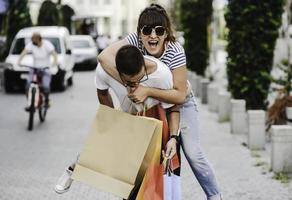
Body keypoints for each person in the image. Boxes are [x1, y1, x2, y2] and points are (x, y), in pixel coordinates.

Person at [98, 4, 222, 200]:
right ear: (140, 33)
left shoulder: (175, 51)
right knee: (138, 155)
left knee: (192, 153)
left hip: (179, 103)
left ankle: (215, 196)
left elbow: (179, 96)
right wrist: (130, 83)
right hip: (149, 104)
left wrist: (146, 89)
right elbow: (103, 57)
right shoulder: (133, 41)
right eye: (147, 30)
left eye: (159, 30)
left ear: (166, 34)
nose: (152, 35)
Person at [54, 45, 181, 196]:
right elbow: (102, 92)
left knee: (150, 180)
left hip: (155, 122)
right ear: (118, 74)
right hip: (128, 120)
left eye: (140, 80)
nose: (135, 86)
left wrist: (173, 138)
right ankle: (75, 167)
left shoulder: (161, 75)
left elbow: (172, 108)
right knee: (124, 174)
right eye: (130, 83)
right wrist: (112, 119)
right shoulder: (105, 71)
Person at [18, 32, 57, 108]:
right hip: (34, 68)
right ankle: (30, 103)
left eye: (34, 41)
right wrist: (19, 61)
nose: (33, 43)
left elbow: (54, 54)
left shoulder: (47, 45)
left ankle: (46, 101)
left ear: (39, 40)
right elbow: (24, 51)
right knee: (28, 86)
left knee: (46, 87)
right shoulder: (32, 44)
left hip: (45, 68)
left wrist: (54, 63)